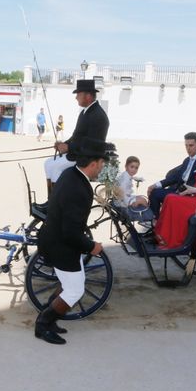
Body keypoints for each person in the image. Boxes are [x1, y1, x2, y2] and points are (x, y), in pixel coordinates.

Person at [35, 137, 116, 345]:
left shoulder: (70, 174)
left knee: (69, 285)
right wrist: (92, 247)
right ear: (94, 163)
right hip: (61, 245)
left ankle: (50, 317)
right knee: (75, 290)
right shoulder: (79, 188)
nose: (102, 168)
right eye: (102, 164)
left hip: (57, 239)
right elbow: (70, 231)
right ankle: (43, 323)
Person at [44, 79, 110, 198]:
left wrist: (69, 147)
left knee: (55, 168)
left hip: (87, 157)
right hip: (78, 152)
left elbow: (91, 144)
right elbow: (76, 136)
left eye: (78, 95)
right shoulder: (86, 112)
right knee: (48, 163)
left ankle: (57, 202)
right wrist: (63, 144)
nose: (76, 98)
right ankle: (50, 201)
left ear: (88, 96)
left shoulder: (98, 116)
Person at [147, 131, 196, 221]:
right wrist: (155, 185)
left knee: (160, 195)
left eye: (191, 145)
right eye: (186, 145)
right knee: (154, 192)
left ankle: (159, 223)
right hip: (177, 190)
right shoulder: (187, 160)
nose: (188, 149)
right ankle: (155, 221)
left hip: (188, 194)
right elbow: (175, 177)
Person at [116, 156, 151, 221]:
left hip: (126, 197)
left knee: (141, 198)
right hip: (124, 200)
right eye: (132, 167)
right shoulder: (125, 180)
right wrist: (131, 202)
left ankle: (146, 216)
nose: (134, 170)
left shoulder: (126, 175)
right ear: (126, 166)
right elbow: (122, 193)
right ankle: (147, 219)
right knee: (143, 200)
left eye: (136, 168)